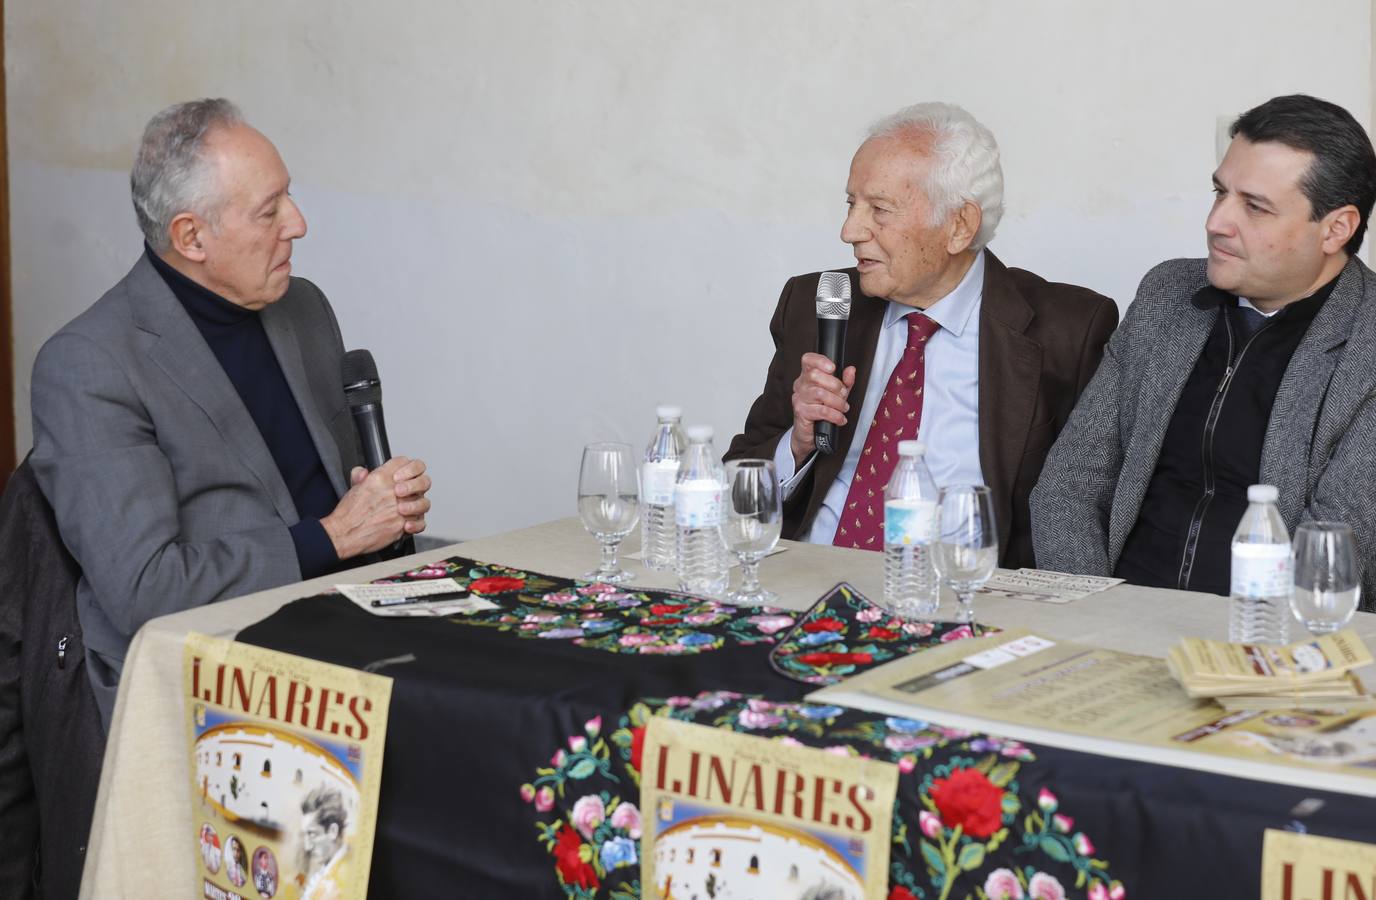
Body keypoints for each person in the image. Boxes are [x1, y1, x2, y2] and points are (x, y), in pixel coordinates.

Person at [30, 99, 433, 726]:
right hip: (205, 671)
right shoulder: (90, 364)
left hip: (347, 627)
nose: (297, 224)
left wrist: (384, 509)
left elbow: (344, 503)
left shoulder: (301, 307)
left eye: (288, 198)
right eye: (269, 211)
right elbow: (145, 589)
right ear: (191, 236)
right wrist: (336, 535)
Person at [726, 102, 1118, 566]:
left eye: (880, 210)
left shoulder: (1067, 330)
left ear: (959, 226)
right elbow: (737, 485)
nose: (849, 231)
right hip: (811, 575)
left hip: (962, 590)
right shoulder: (817, 305)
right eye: (852, 204)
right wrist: (798, 442)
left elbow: (1086, 506)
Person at [1031, 94, 1376, 607]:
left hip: (1262, 643)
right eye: (1220, 193)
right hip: (1111, 620)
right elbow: (1070, 484)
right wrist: (1094, 614)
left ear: (1336, 229)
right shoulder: (1168, 294)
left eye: (1254, 206)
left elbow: (1332, 552)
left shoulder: (1366, 343)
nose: (1217, 222)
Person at [299, 785, 351, 899]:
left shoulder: (343, 878)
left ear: (333, 831)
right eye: (305, 835)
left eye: (312, 834)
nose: (307, 847)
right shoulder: (327, 871)